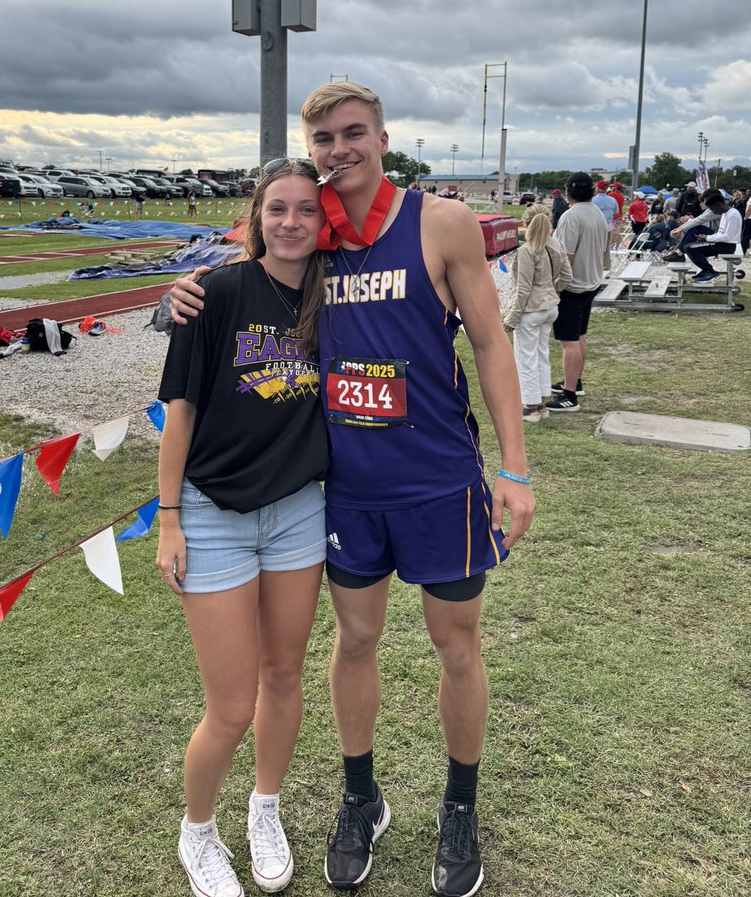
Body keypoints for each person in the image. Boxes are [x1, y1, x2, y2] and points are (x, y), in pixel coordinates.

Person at [170, 81, 535, 897]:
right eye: (325, 137)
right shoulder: (318, 234)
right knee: (357, 641)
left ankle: (460, 806)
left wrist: (512, 467)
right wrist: (182, 291)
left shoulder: (439, 223)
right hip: (344, 491)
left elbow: (490, 343)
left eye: (354, 134)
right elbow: (249, 272)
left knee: (455, 645)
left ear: (381, 136)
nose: (340, 150)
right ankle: (360, 796)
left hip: (439, 482)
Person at [156, 161, 330, 897]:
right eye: (278, 209)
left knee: (284, 676)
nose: (292, 223)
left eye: (307, 212)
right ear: (256, 216)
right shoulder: (218, 292)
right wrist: (168, 517)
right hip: (213, 514)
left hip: (298, 512)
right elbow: (181, 411)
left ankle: (266, 809)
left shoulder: (337, 294)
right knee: (229, 707)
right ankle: (197, 833)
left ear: (326, 223)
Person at [501, 205, 572, 421]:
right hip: (549, 307)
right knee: (542, 355)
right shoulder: (555, 244)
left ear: (526, 224)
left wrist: (511, 318)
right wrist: (552, 290)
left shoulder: (527, 250)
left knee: (526, 358)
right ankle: (541, 402)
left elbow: (523, 289)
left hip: (531, 310)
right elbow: (567, 276)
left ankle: (531, 406)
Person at [546, 172, 608, 412]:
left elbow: (565, 257)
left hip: (573, 285)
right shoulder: (597, 213)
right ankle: (575, 381)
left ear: (568, 191)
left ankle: (569, 395)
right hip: (591, 281)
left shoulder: (571, 217)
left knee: (569, 341)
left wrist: (553, 286)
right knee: (580, 335)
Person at [683, 190, 743, 282]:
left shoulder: (732, 215)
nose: (713, 212)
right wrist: (705, 238)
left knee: (690, 248)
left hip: (727, 246)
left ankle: (710, 271)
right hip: (722, 243)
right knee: (690, 247)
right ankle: (706, 270)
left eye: (712, 208)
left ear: (717, 205)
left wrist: (707, 238)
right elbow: (721, 233)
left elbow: (727, 237)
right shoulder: (726, 213)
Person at [591, 181, 618, 271]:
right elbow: (616, 212)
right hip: (608, 226)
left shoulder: (593, 200)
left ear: (597, 188)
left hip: (596, 227)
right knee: (606, 249)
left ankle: (595, 267)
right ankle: (606, 267)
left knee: (594, 248)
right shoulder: (612, 200)